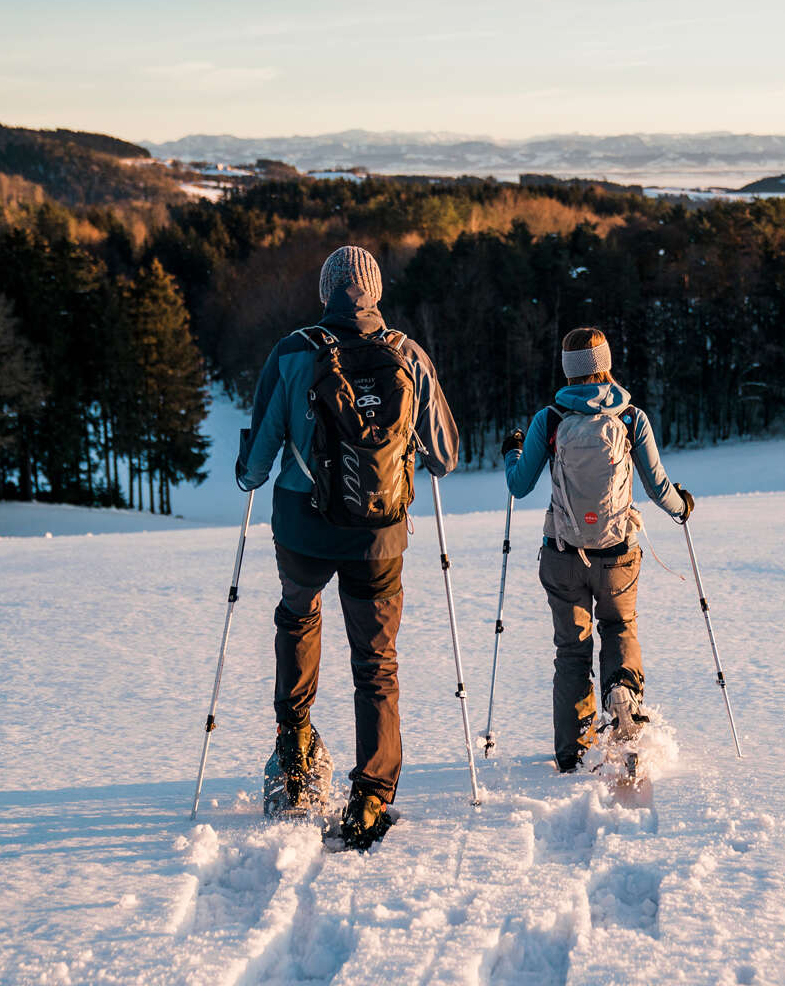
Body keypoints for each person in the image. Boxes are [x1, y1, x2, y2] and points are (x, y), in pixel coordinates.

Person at [236, 245, 458, 848]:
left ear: (325, 292)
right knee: (376, 662)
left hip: (303, 529)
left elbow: (256, 467)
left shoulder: (292, 352)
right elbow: (444, 456)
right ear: (376, 292)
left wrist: (248, 466)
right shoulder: (408, 355)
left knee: (297, 616)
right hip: (380, 536)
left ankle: (295, 745)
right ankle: (371, 794)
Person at [502, 327, 694, 773]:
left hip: (563, 554)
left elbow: (520, 483)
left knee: (571, 650)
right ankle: (623, 694)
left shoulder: (549, 420)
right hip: (618, 555)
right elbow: (657, 485)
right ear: (606, 364)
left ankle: (571, 753)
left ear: (568, 371)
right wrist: (681, 506)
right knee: (619, 626)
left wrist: (513, 451)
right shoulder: (631, 418)